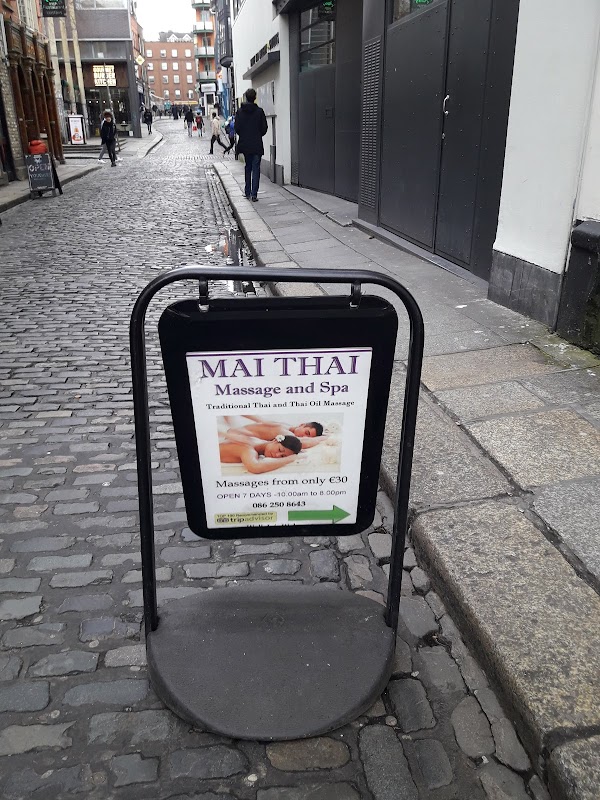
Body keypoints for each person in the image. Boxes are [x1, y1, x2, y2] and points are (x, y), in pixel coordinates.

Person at [235, 87, 268, 201]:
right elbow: (264, 128)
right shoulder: (259, 112)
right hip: (256, 143)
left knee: (248, 167)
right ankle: (254, 194)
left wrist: (244, 135)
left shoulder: (240, 112)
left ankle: (247, 192)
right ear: (255, 98)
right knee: (256, 168)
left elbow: (237, 128)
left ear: (246, 97)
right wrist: (257, 134)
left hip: (245, 144)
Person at [219, 434, 303, 475]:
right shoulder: (249, 449)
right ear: (275, 440)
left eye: (282, 456)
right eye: (279, 450)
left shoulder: (257, 441)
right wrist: (290, 459)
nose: (277, 455)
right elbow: (255, 467)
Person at [225, 417, 326, 450]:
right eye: (307, 432)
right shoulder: (284, 431)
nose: (304, 437)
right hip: (233, 438)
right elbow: (302, 444)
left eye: (308, 437)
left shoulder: (285, 426)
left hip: (233, 434)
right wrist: (325, 437)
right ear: (302, 425)